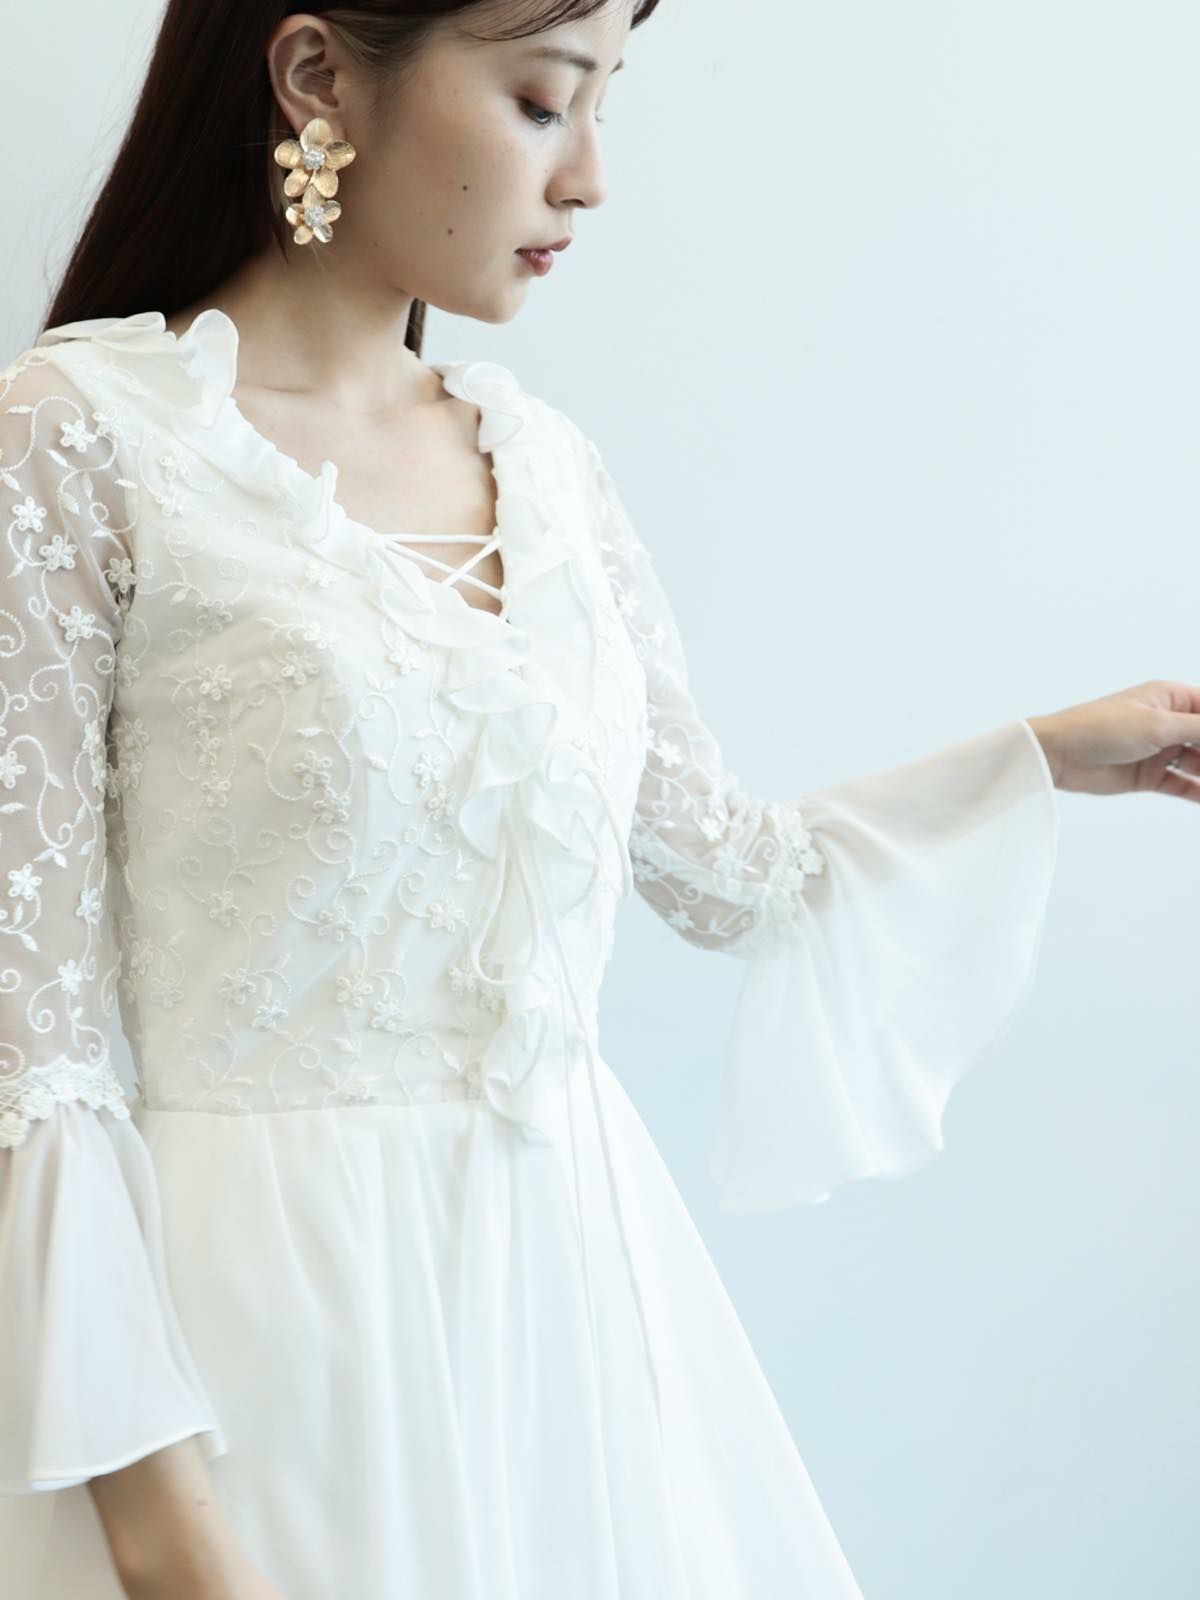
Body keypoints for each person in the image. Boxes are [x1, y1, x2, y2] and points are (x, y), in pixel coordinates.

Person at [1, 2, 1196, 1596]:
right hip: (262, 1362)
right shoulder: (79, 442)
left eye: (605, 106)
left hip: (569, 1335)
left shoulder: (548, 470)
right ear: (316, 76)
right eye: (542, 101)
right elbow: (37, 1060)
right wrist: (169, 1543)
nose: (590, 180)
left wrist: (1044, 752)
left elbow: (731, 872)